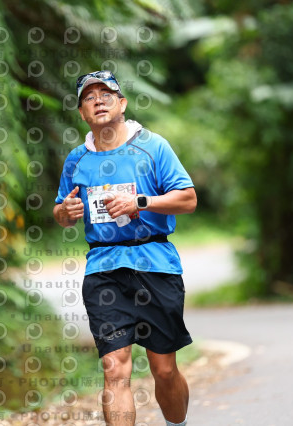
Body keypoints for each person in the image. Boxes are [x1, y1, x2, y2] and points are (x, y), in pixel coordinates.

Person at [53, 70, 196, 426]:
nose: (98, 101)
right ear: (82, 113)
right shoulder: (76, 160)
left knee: (164, 369)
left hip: (155, 265)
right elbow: (61, 213)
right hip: (103, 269)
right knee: (114, 368)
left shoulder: (153, 146)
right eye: (89, 97)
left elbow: (188, 199)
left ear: (122, 104)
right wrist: (65, 212)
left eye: (106, 94)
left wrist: (140, 202)